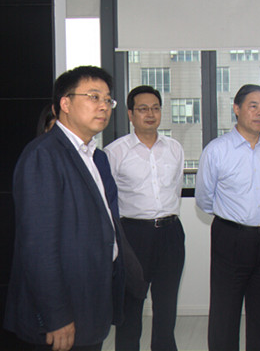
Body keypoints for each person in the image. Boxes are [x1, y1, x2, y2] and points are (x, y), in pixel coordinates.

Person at [5, 66, 125, 351]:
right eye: (93, 97)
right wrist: (56, 315)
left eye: (108, 99)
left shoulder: (91, 155)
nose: (103, 106)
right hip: (63, 313)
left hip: (89, 299)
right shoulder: (44, 155)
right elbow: (38, 246)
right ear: (65, 103)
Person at [195, 84, 260, 351]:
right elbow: (204, 198)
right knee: (225, 312)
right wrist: (232, 220)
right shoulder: (217, 150)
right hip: (231, 237)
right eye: (253, 106)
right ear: (236, 109)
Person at [105, 86, 185, 351]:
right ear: (130, 114)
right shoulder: (114, 152)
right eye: (143, 109)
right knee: (130, 310)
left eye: (155, 108)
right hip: (133, 235)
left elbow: (176, 189)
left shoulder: (174, 148)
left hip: (170, 234)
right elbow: (107, 200)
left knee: (167, 309)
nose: (150, 114)